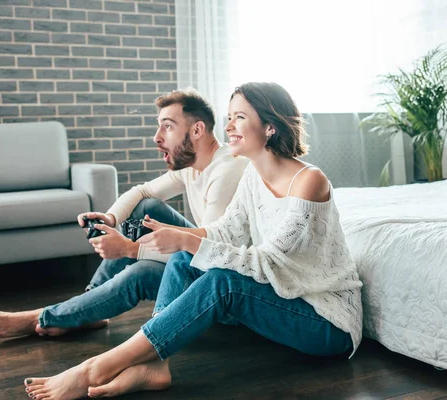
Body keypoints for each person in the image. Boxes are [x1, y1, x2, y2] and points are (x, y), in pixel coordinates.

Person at [22, 82, 363, 399]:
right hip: (281, 302)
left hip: (326, 323)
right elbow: (223, 231)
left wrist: (178, 242)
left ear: (270, 127)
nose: (229, 127)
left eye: (239, 118)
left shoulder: (309, 181)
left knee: (222, 282)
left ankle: (97, 367)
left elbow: (268, 263)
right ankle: (154, 364)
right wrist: (177, 239)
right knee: (184, 260)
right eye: (229, 118)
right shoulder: (253, 177)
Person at [0, 89, 249, 338]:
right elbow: (142, 193)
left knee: (140, 272)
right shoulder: (194, 164)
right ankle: (89, 307)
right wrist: (111, 218)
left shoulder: (226, 171)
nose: (157, 137)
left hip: (226, 283)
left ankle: (46, 315)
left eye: (168, 126)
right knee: (146, 208)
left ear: (197, 130)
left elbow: (208, 250)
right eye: (159, 126)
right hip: (203, 258)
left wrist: (131, 249)